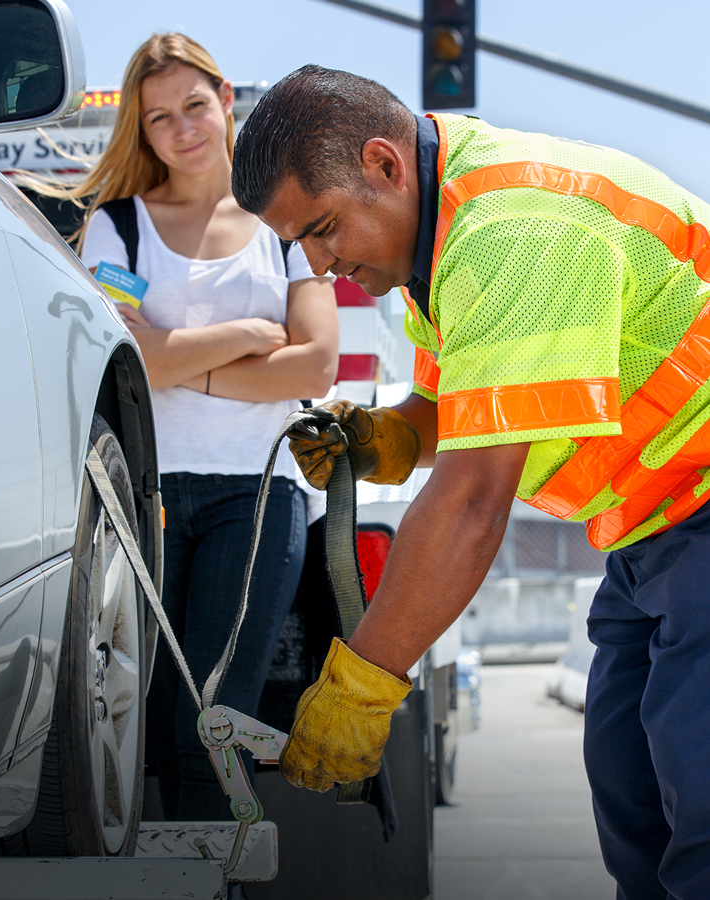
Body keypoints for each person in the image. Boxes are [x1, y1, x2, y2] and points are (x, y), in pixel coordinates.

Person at [231, 64, 710, 900]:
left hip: (699, 514)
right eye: (299, 244)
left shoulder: (513, 231)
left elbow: (473, 501)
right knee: (635, 799)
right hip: (652, 535)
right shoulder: (443, 238)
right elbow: (456, 411)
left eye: (324, 227)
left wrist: (364, 682)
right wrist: (382, 440)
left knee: (700, 809)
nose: (319, 262)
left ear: (384, 164)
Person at [77, 39, 338, 821]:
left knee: (214, 721)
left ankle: (216, 876)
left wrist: (179, 363)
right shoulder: (115, 231)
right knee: (143, 727)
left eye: (193, 105)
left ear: (226, 99)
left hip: (257, 497)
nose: (181, 128)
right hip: (141, 501)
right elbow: (132, 362)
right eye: (158, 118)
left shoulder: (284, 226)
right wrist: (253, 331)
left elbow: (315, 366)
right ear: (143, 132)